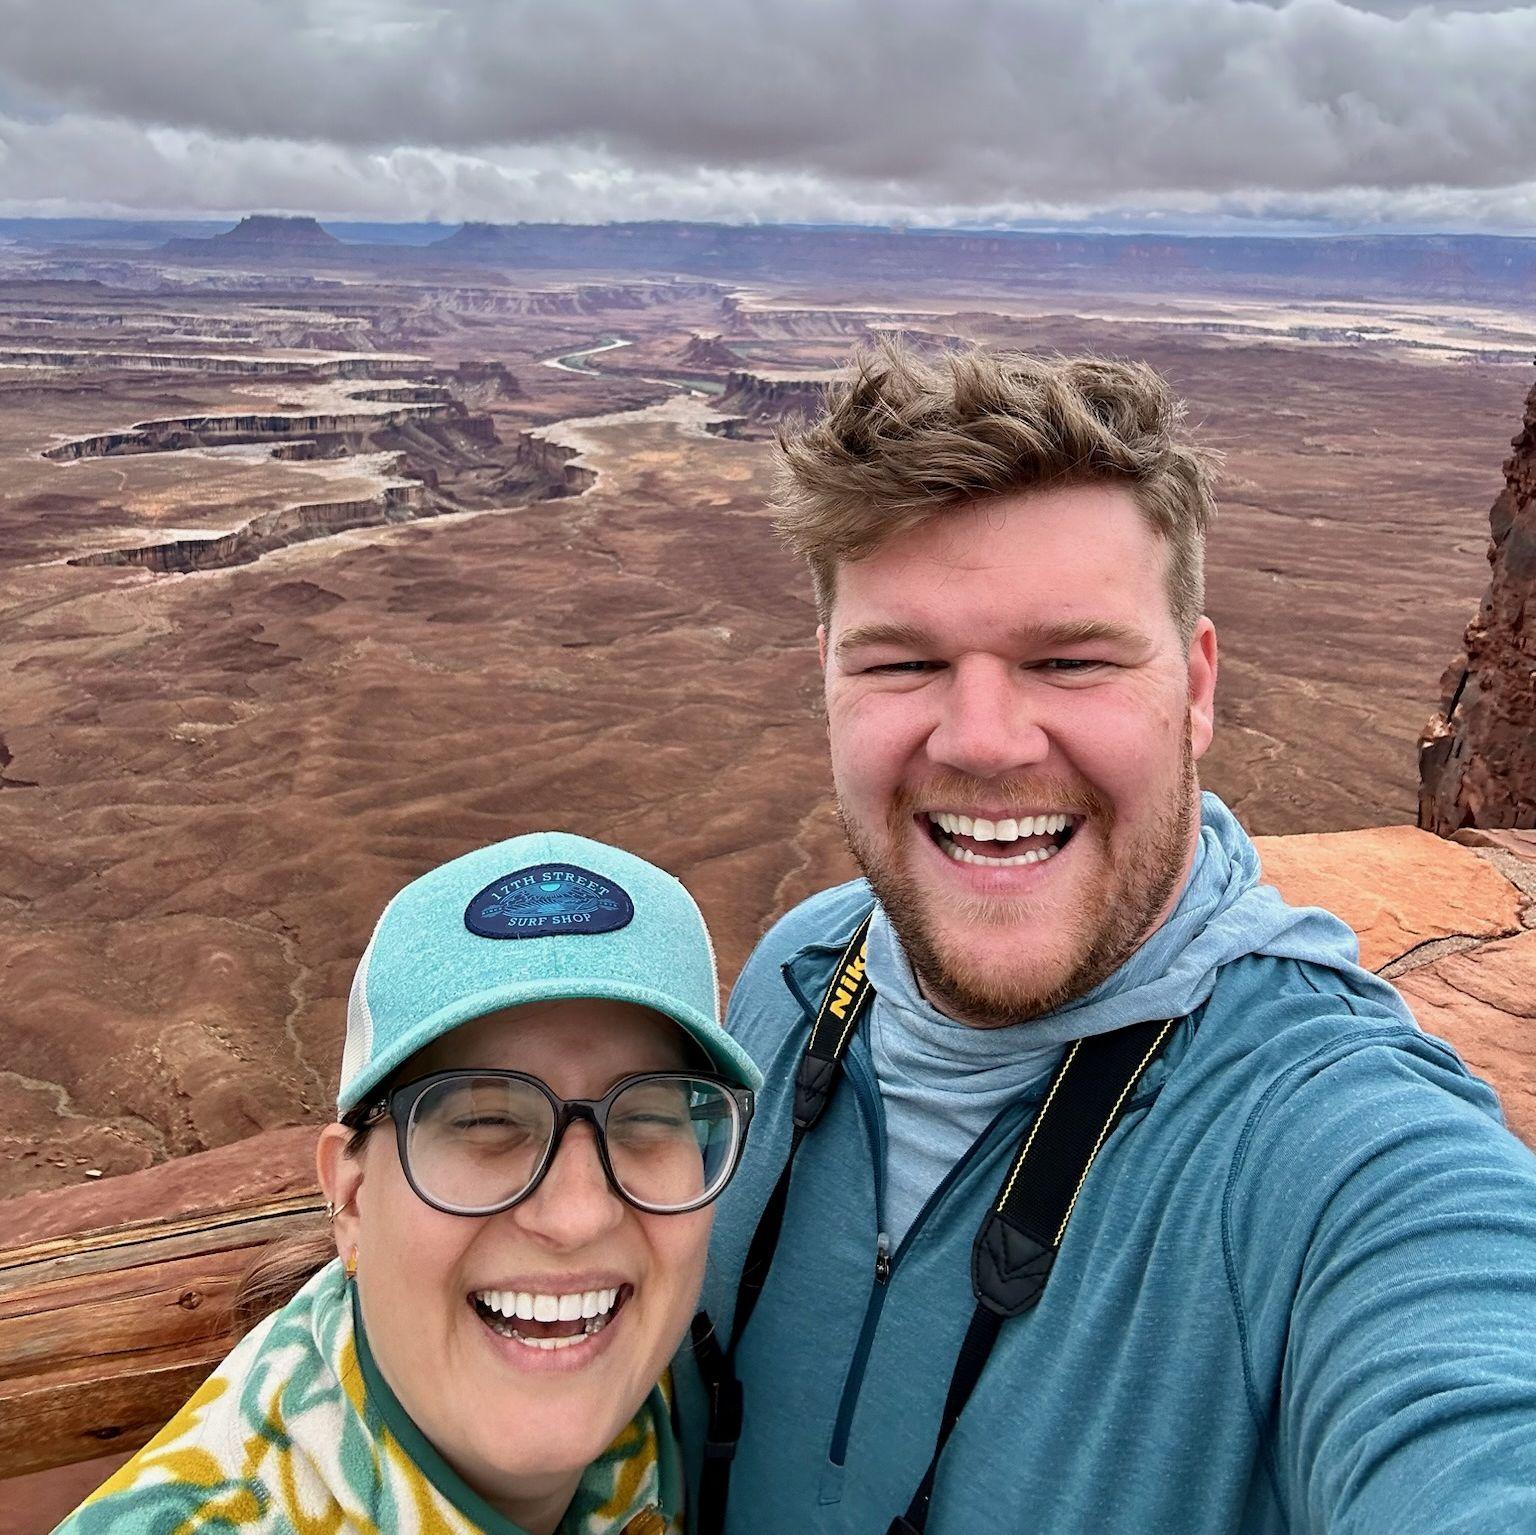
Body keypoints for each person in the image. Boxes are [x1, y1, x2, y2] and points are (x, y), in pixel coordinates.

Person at [679, 341, 1536, 1534]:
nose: (982, 738)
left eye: (1071, 659)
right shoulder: (796, 974)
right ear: (825, 675)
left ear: (1195, 685)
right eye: (906, 660)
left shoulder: (1332, 1145)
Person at [56, 831, 760, 1535]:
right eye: (486, 1119)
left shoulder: (673, 1385)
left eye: (644, 1116)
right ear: (354, 1198)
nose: (578, 1214)